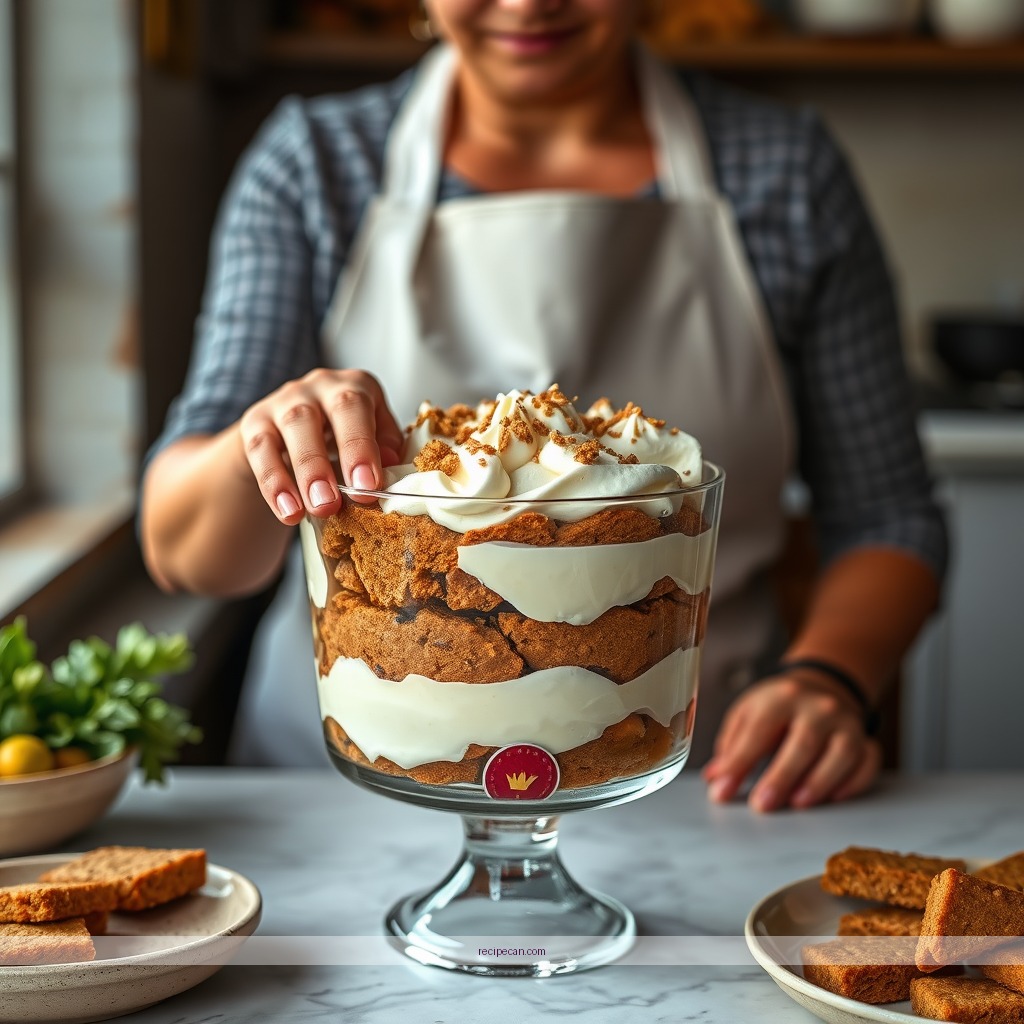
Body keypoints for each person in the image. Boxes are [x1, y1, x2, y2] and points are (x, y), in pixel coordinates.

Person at [140, 0, 946, 812]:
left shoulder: (784, 173)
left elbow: (890, 517)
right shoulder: (318, 164)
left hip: (698, 782)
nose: (527, 3)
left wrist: (826, 677)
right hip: (350, 804)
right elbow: (181, 548)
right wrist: (270, 437)